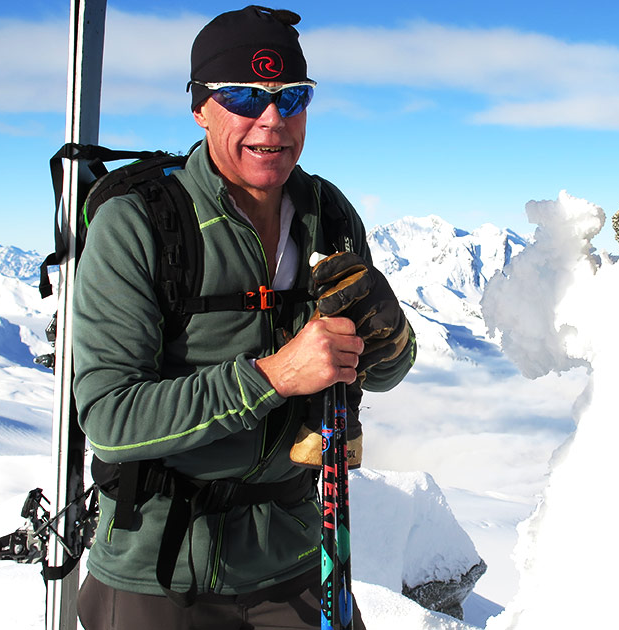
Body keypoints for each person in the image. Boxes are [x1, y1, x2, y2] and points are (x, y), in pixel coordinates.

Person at [72, 6, 416, 629]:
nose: (272, 121)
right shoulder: (141, 222)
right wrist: (276, 376)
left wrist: (389, 339)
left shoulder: (328, 214)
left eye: (292, 98)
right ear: (200, 107)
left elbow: (379, 372)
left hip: (296, 560)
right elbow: (111, 419)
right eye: (243, 97)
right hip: (159, 570)